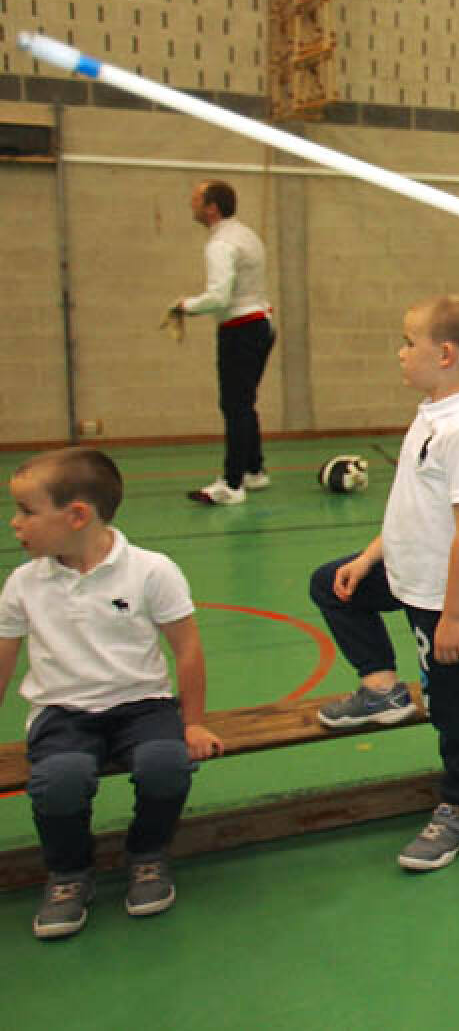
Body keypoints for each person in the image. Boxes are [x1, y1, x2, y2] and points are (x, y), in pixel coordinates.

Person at [309, 295, 459, 871]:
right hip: (405, 573)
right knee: (332, 585)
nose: (400, 352)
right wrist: (370, 557)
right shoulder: (432, 414)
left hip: (444, 596)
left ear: (445, 355)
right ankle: (382, 689)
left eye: (408, 341)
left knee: (454, 706)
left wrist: (453, 616)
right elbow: (412, 506)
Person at [0, 447, 224, 940]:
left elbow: (187, 650)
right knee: (60, 778)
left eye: (27, 511)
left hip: (143, 706)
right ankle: (68, 873)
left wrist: (192, 723)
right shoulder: (23, 583)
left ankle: (147, 854)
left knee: (166, 765)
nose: (16, 523)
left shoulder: (151, 570)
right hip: (62, 712)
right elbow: (4, 659)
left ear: (77, 515)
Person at [175, 179, 275, 506]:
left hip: (241, 329)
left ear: (211, 208)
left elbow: (219, 297)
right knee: (244, 403)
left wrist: (185, 306)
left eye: (196, 199)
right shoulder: (245, 234)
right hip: (259, 325)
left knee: (235, 406)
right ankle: (253, 470)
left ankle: (232, 484)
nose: (191, 205)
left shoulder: (221, 244)